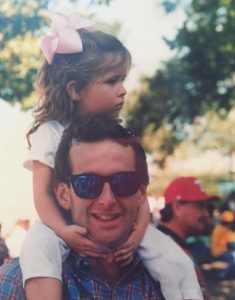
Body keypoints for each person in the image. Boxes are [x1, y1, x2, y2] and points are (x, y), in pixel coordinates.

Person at [19, 12, 201, 300]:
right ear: (75, 89)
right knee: (36, 251)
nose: (123, 90)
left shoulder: (122, 140)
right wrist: (64, 232)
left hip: (119, 227)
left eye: (123, 79)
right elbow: (42, 194)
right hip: (59, 224)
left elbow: (138, 193)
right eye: (112, 81)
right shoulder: (50, 132)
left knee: (175, 260)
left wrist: (137, 234)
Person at [0, 114, 167, 299]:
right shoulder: (14, 286)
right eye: (88, 183)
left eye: (123, 182)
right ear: (64, 195)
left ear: (141, 194)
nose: (107, 199)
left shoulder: (171, 285)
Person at [158, 176, 216, 300]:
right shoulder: (161, 251)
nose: (206, 213)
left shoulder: (170, 244)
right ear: (177, 207)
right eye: (200, 206)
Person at [211, 210, 235, 279]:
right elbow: (231, 243)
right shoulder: (222, 229)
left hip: (222, 250)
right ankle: (222, 274)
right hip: (220, 251)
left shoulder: (220, 227)